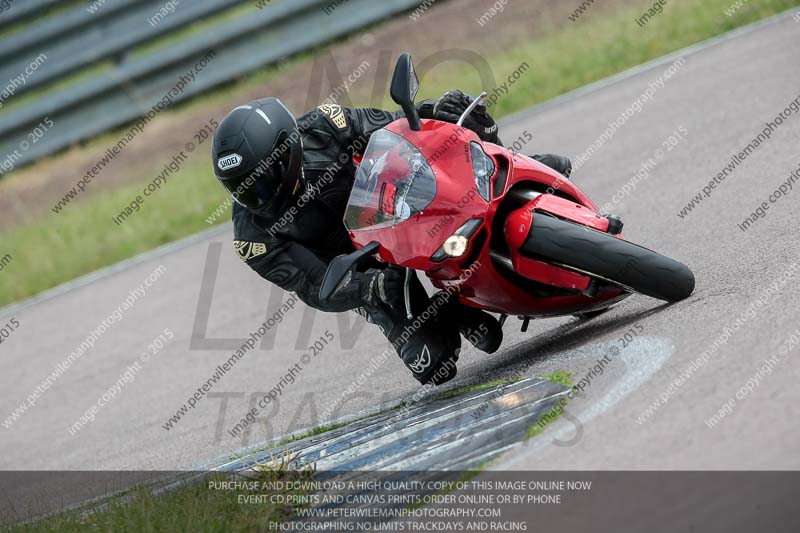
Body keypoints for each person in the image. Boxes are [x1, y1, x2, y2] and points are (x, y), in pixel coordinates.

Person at [211, 91, 572, 385]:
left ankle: (519, 171)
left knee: (465, 124)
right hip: (364, 266)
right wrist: (366, 288)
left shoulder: (326, 125)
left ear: (286, 151)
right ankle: (455, 307)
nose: (254, 195)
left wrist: (438, 111)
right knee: (436, 365)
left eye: (259, 179)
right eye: (240, 187)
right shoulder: (252, 238)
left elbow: (394, 129)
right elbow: (313, 283)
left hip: (397, 205)